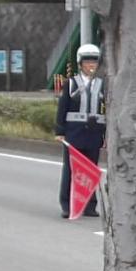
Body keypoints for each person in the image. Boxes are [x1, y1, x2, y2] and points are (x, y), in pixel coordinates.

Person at [56, 43, 107, 219]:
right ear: (80, 63)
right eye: (87, 61)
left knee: (91, 170)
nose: (91, 64)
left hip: (94, 133)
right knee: (70, 170)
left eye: (94, 61)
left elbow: (106, 110)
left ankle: (89, 206)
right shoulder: (71, 83)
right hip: (74, 133)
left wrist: (106, 134)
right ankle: (67, 204)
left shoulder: (102, 85)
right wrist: (60, 130)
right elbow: (62, 108)